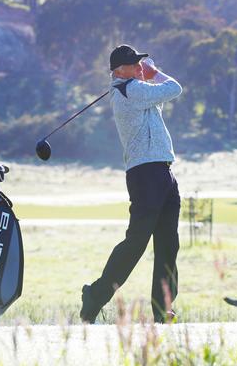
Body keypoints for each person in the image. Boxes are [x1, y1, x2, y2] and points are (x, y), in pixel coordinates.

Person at [80, 44, 183, 324]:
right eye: (135, 64)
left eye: (141, 63)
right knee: (136, 243)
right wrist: (155, 73)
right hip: (146, 175)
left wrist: (146, 77)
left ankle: (164, 309)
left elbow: (160, 97)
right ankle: (95, 296)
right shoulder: (129, 90)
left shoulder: (133, 89)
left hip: (162, 172)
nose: (140, 67)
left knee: (168, 244)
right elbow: (175, 88)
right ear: (118, 71)